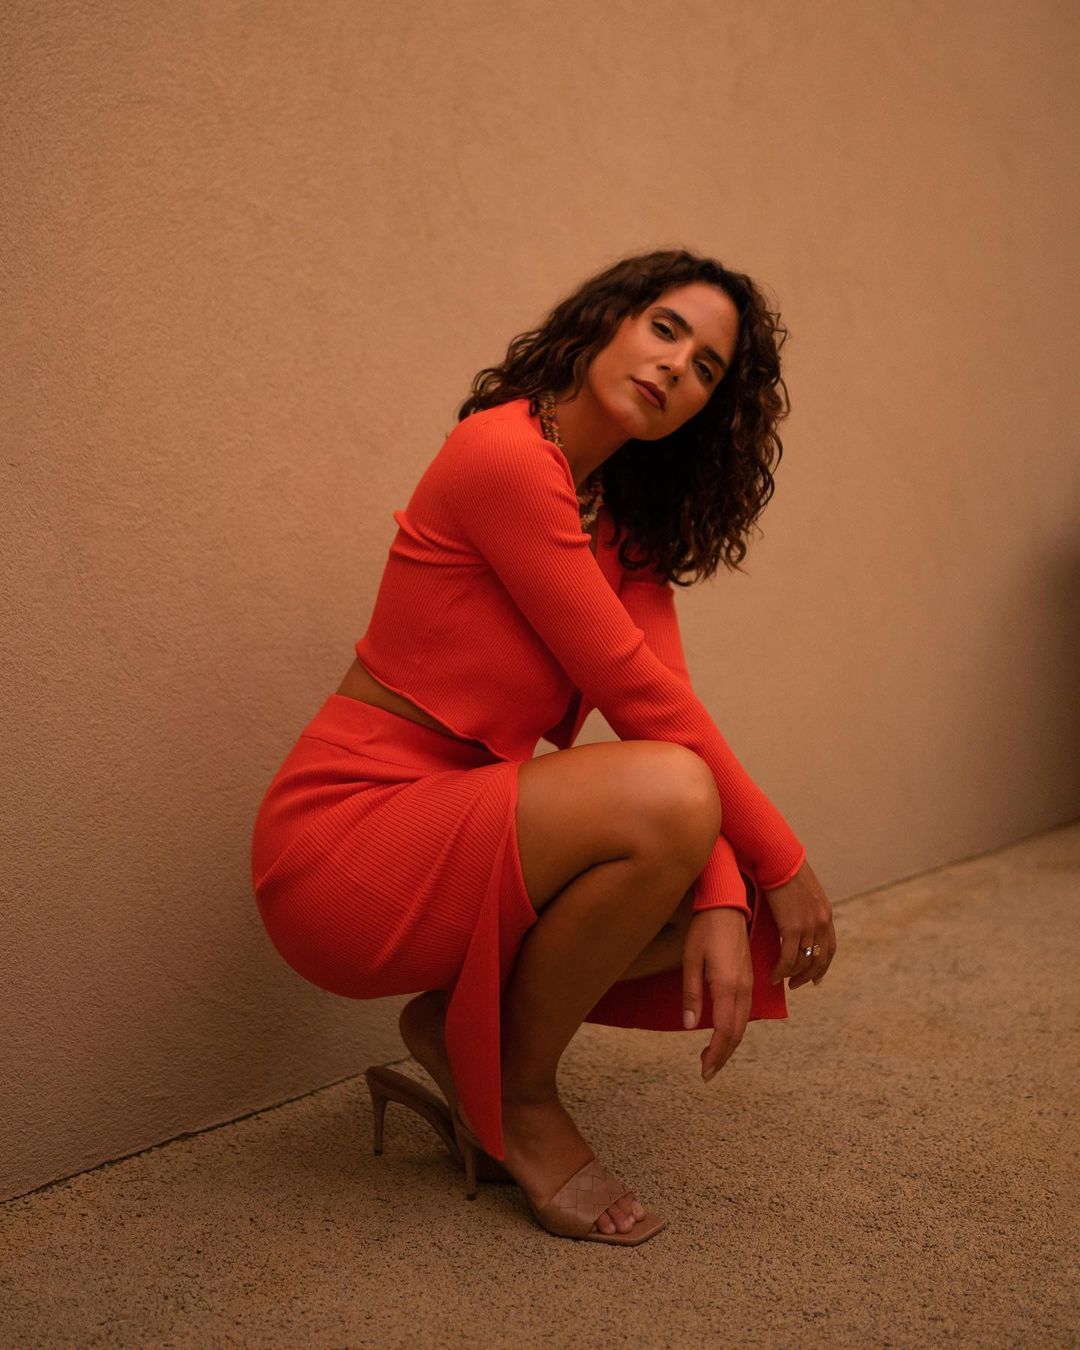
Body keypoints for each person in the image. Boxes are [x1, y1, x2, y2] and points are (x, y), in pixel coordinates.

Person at [250, 246, 836, 1246]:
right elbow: (635, 697)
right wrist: (780, 862)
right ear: (606, 320)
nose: (675, 365)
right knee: (695, 815)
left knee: (733, 886)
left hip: (462, 823)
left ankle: (461, 1035)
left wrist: (730, 892)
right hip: (345, 841)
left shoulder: (622, 518)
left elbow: (664, 701)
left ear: (708, 411)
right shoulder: (505, 454)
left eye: (705, 368)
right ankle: (517, 1095)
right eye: (664, 328)